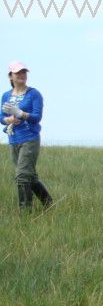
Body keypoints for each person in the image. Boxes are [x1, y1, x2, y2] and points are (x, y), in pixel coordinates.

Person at [1, 61, 52, 211]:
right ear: (11, 76)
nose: (22, 75)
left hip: (30, 138)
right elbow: (1, 117)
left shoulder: (34, 94)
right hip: (13, 139)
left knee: (22, 176)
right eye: (18, 73)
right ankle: (48, 203)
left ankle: (25, 212)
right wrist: (8, 119)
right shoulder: (5, 95)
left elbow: (37, 117)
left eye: (24, 72)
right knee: (30, 176)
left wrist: (21, 113)